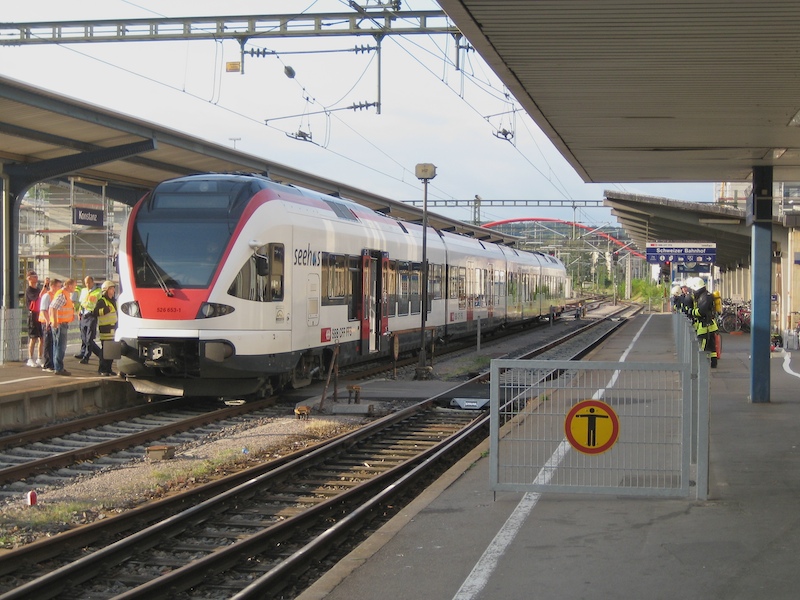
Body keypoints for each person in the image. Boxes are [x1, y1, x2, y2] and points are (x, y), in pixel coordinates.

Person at [687, 277, 719, 368]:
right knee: (711, 347)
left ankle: (702, 365)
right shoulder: (705, 295)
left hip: (705, 327)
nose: (692, 291)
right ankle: (713, 364)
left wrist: (691, 312)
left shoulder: (704, 297)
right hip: (709, 326)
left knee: (702, 347)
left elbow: (701, 311)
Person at [49, 278, 76, 376]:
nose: (75, 288)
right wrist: (55, 322)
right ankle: (59, 368)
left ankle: (58, 367)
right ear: (69, 285)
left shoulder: (64, 294)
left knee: (57, 346)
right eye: (74, 286)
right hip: (60, 324)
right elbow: (53, 307)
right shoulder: (63, 294)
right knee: (60, 346)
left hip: (60, 323)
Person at [93, 280, 118, 376]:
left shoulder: (114, 301)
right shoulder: (102, 301)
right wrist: (106, 310)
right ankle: (102, 369)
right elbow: (95, 313)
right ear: (106, 290)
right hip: (106, 329)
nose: (113, 290)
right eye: (111, 289)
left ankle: (108, 369)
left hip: (114, 329)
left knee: (112, 351)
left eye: (113, 289)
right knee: (105, 351)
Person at [76, 276, 102, 364]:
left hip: (91, 315)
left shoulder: (98, 292)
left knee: (89, 338)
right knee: (83, 337)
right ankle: (85, 352)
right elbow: (81, 303)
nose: (87, 284)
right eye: (86, 283)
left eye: (88, 282)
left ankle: (87, 356)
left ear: (92, 282)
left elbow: (99, 303)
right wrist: (79, 311)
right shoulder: (83, 291)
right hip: (83, 315)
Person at [38, 278, 60, 372]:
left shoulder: (55, 295)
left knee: (53, 342)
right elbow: (43, 309)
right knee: (48, 343)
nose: (60, 288)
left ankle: (52, 363)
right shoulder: (47, 296)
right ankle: (48, 364)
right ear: (53, 286)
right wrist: (47, 321)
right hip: (47, 322)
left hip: (53, 321)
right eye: (58, 286)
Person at [24, 270, 44, 367]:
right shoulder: (29, 290)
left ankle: (40, 358)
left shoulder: (38, 289)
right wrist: (44, 288)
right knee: (33, 337)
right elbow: (36, 298)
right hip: (33, 315)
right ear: (29, 278)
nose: (36, 278)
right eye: (34, 276)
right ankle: (30, 358)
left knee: (42, 337)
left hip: (40, 314)